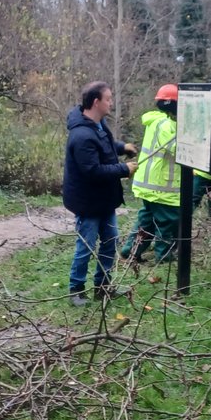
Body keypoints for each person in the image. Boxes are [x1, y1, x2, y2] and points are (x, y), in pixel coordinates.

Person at [62, 82, 137, 306]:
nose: (111, 102)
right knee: (86, 246)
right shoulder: (82, 136)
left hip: (104, 200)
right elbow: (93, 171)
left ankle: (103, 287)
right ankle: (76, 290)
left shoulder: (97, 124)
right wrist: (125, 169)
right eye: (108, 99)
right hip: (88, 202)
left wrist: (122, 147)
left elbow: (104, 144)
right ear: (96, 102)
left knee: (110, 242)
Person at [121, 84, 181, 263]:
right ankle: (164, 256)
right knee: (167, 220)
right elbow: (176, 149)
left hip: (149, 185)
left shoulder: (156, 120)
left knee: (147, 220)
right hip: (160, 187)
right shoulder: (165, 125)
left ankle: (130, 251)